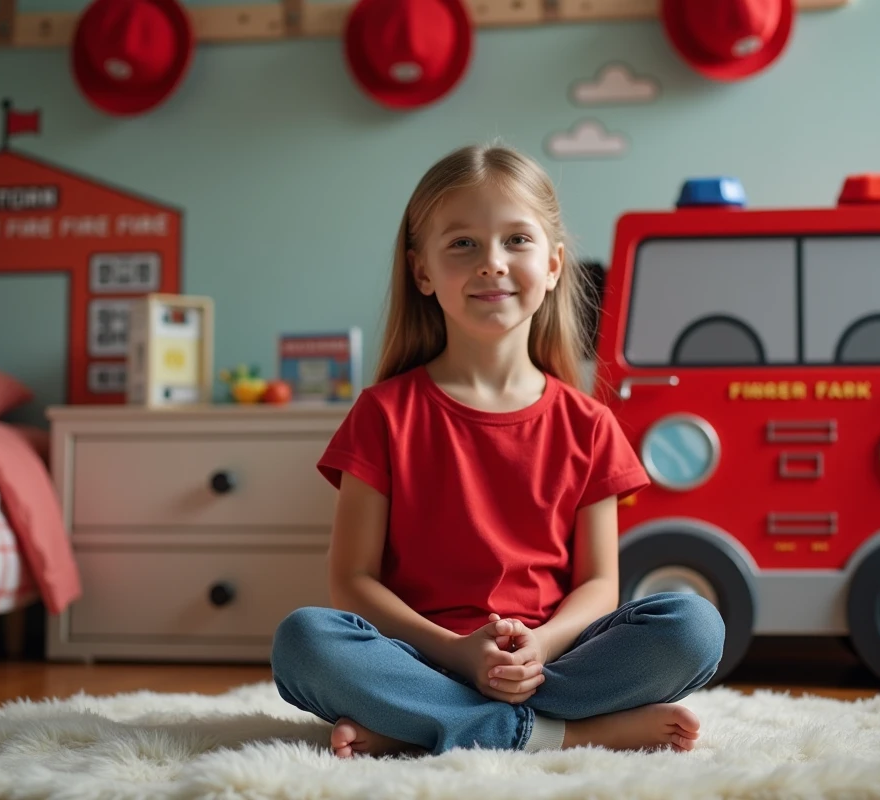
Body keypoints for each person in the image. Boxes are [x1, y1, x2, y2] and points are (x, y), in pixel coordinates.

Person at [270, 143, 725, 759]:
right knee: (303, 640)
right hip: (421, 658)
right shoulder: (383, 414)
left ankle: (425, 725)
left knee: (694, 626)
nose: (491, 263)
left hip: (552, 660)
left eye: (517, 240)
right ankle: (562, 733)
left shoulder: (590, 425)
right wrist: (458, 653)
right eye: (462, 243)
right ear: (422, 272)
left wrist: (541, 646)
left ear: (554, 264)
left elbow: (599, 585)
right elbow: (353, 582)